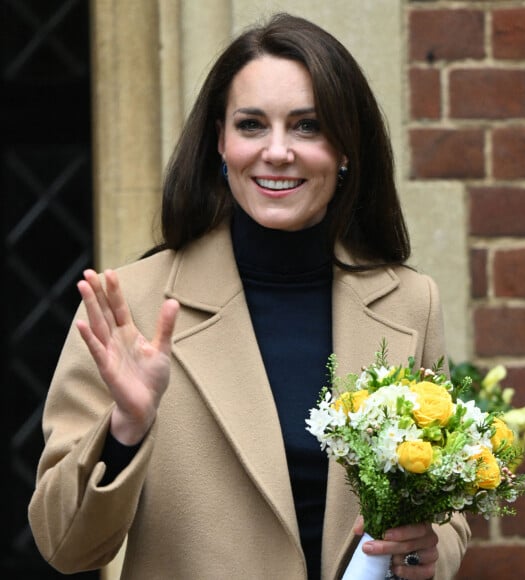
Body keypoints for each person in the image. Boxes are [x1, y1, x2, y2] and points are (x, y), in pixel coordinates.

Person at [28, 13, 470, 580]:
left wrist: (427, 552)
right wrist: (124, 431)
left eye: (307, 126)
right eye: (252, 125)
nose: (278, 151)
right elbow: (64, 546)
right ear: (220, 141)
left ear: (346, 148)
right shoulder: (131, 305)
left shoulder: (411, 301)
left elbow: (446, 510)